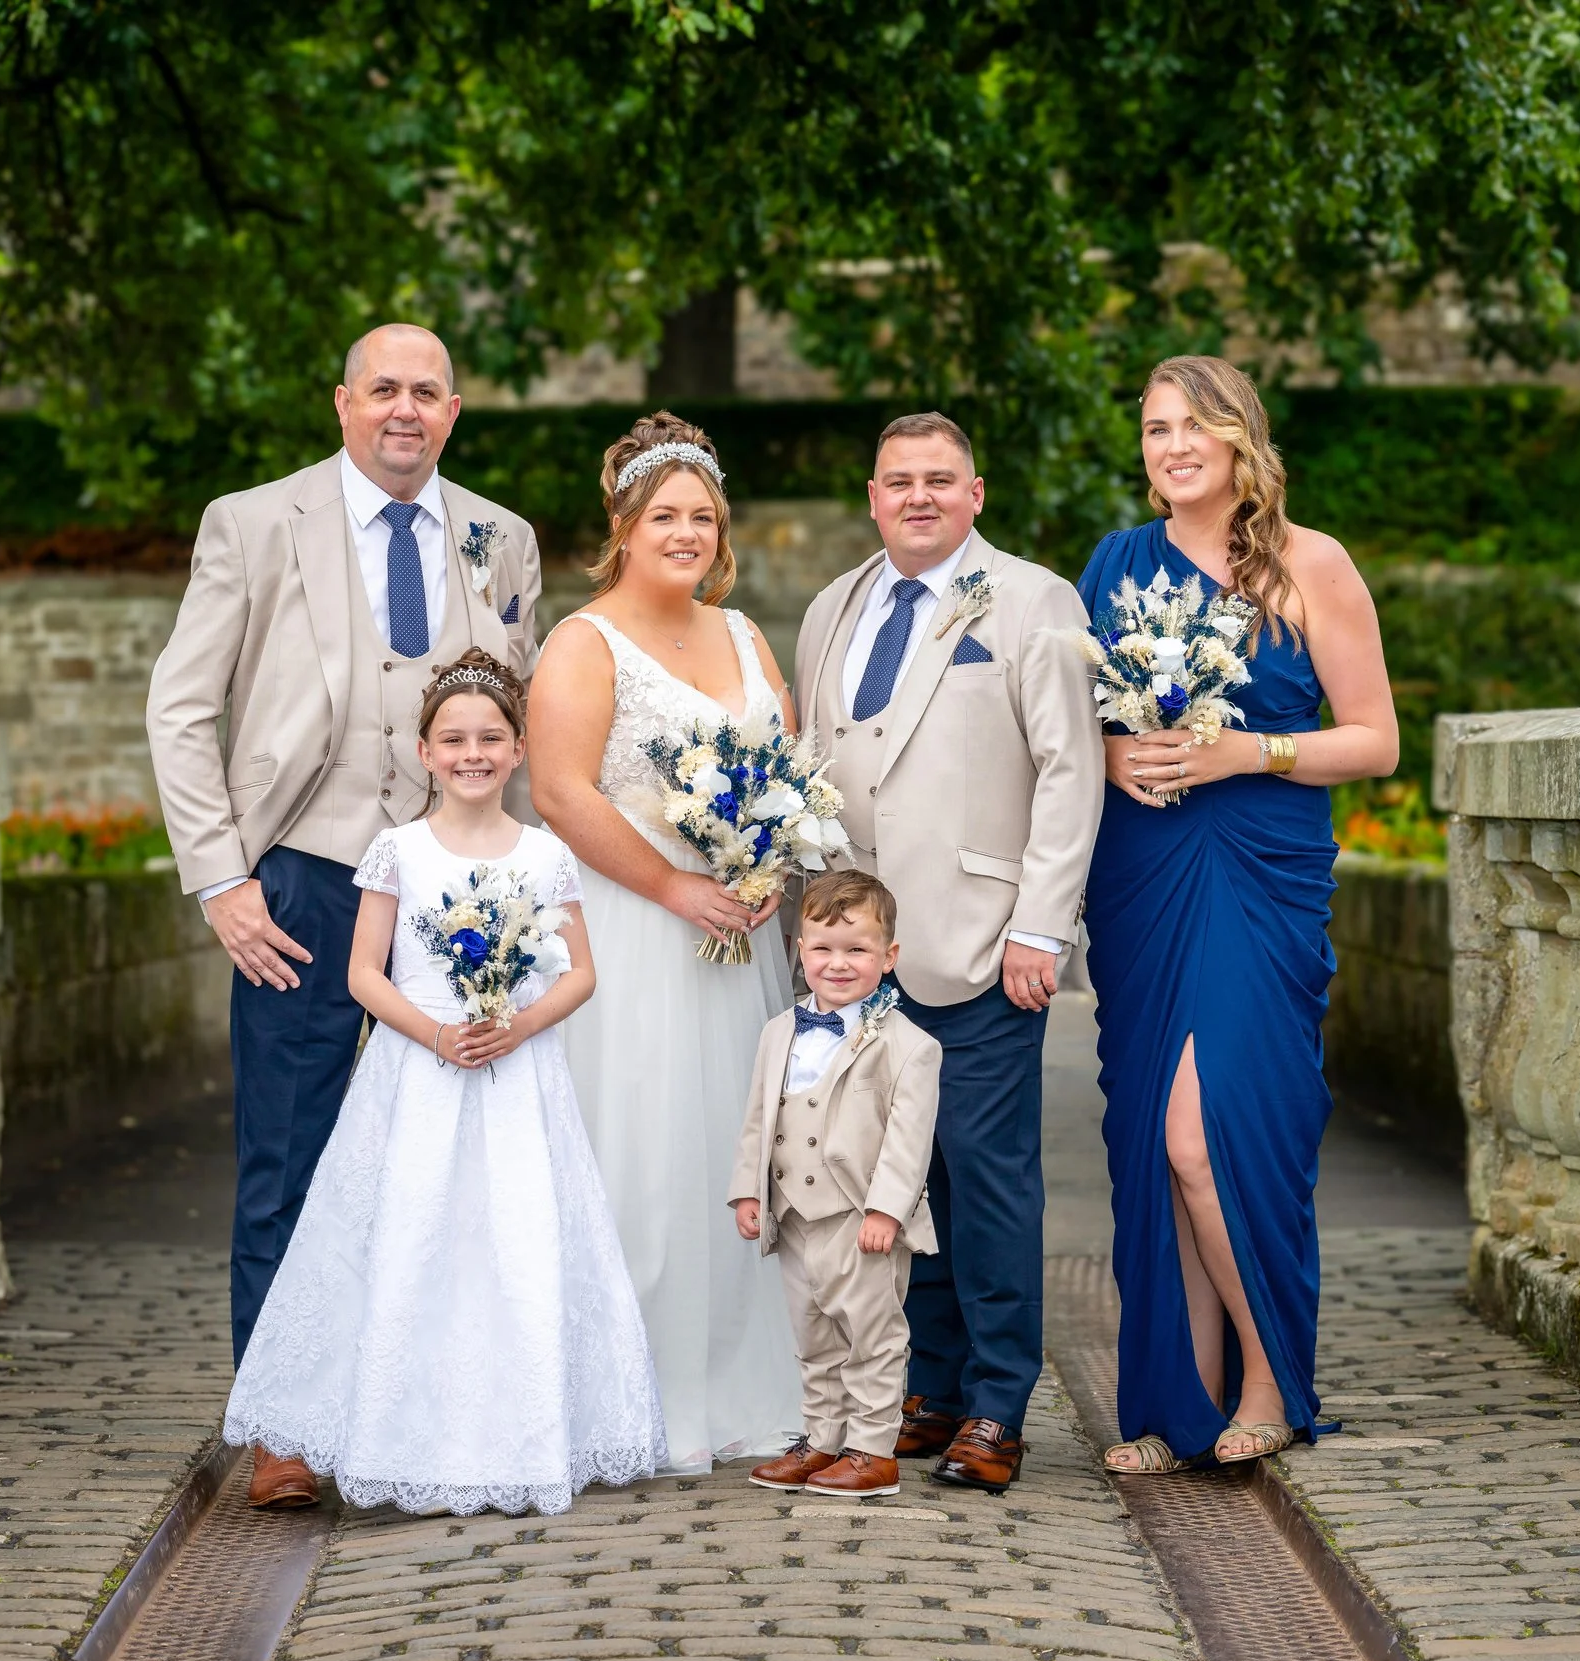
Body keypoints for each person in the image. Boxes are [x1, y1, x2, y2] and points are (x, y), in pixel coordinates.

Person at [146, 323, 543, 1508]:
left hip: (454, 883)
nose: (404, 409)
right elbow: (180, 709)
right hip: (304, 875)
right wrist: (221, 878)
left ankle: (438, 1400)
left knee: (454, 1149)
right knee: (288, 1151)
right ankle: (284, 1421)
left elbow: (519, 720)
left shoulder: (502, 538)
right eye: (384, 390)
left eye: (427, 392)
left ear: (454, 412)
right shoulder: (255, 522)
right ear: (342, 403)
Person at [219, 651, 666, 1516]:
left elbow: (578, 972)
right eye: (454, 738)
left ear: (520, 748)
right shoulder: (397, 850)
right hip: (415, 1073)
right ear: (423, 751)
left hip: (516, 1075)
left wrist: (516, 1027)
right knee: (410, 1231)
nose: (473, 752)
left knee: (513, 1234)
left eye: (491, 738)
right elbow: (363, 973)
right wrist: (435, 1034)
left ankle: (517, 1432)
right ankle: (396, 1429)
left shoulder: (544, 854)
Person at [1082, 356, 1397, 1474]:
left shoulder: (1311, 564)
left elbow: (1374, 739)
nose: (1171, 446)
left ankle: (1267, 1379)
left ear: (1237, 438)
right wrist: (1113, 754)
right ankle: (1177, 1402)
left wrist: (1242, 752)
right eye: (1154, 428)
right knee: (1152, 1142)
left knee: (1210, 1134)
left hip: (1260, 870)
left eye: (1192, 426)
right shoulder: (1114, 566)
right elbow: (1077, 721)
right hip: (1142, 869)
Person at [792, 412, 1102, 1495]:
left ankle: (997, 1403)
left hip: (979, 945)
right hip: (858, 955)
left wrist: (1040, 926)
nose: (917, 496)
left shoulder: (1034, 599)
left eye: (939, 479)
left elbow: (1070, 769)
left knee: (987, 1178)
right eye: (897, 481)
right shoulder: (832, 607)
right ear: (871, 496)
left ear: (976, 492)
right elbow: (820, 769)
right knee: (895, 1171)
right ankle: (925, 1386)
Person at [529, 413, 806, 1471]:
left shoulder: (742, 636)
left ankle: (735, 1385)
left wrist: (765, 862)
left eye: (701, 515)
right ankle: (626, 1396)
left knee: (731, 1158)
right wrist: (672, 883)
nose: (684, 532)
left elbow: (784, 768)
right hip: (636, 937)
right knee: (640, 1158)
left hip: (737, 943)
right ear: (625, 526)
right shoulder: (582, 640)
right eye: (664, 516)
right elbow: (559, 790)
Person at [729, 871, 942, 1500]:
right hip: (795, 1211)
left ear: (889, 957)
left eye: (857, 950)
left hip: (860, 1216)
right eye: (823, 948)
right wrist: (750, 1191)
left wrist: (887, 1211)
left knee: (872, 1335)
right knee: (813, 1333)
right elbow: (758, 1119)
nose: (839, 963)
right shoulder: (779, 1032)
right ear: (799, 948)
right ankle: (822, 1440)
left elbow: (909, 1139)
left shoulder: (911, 1046)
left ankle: (873, 1450)